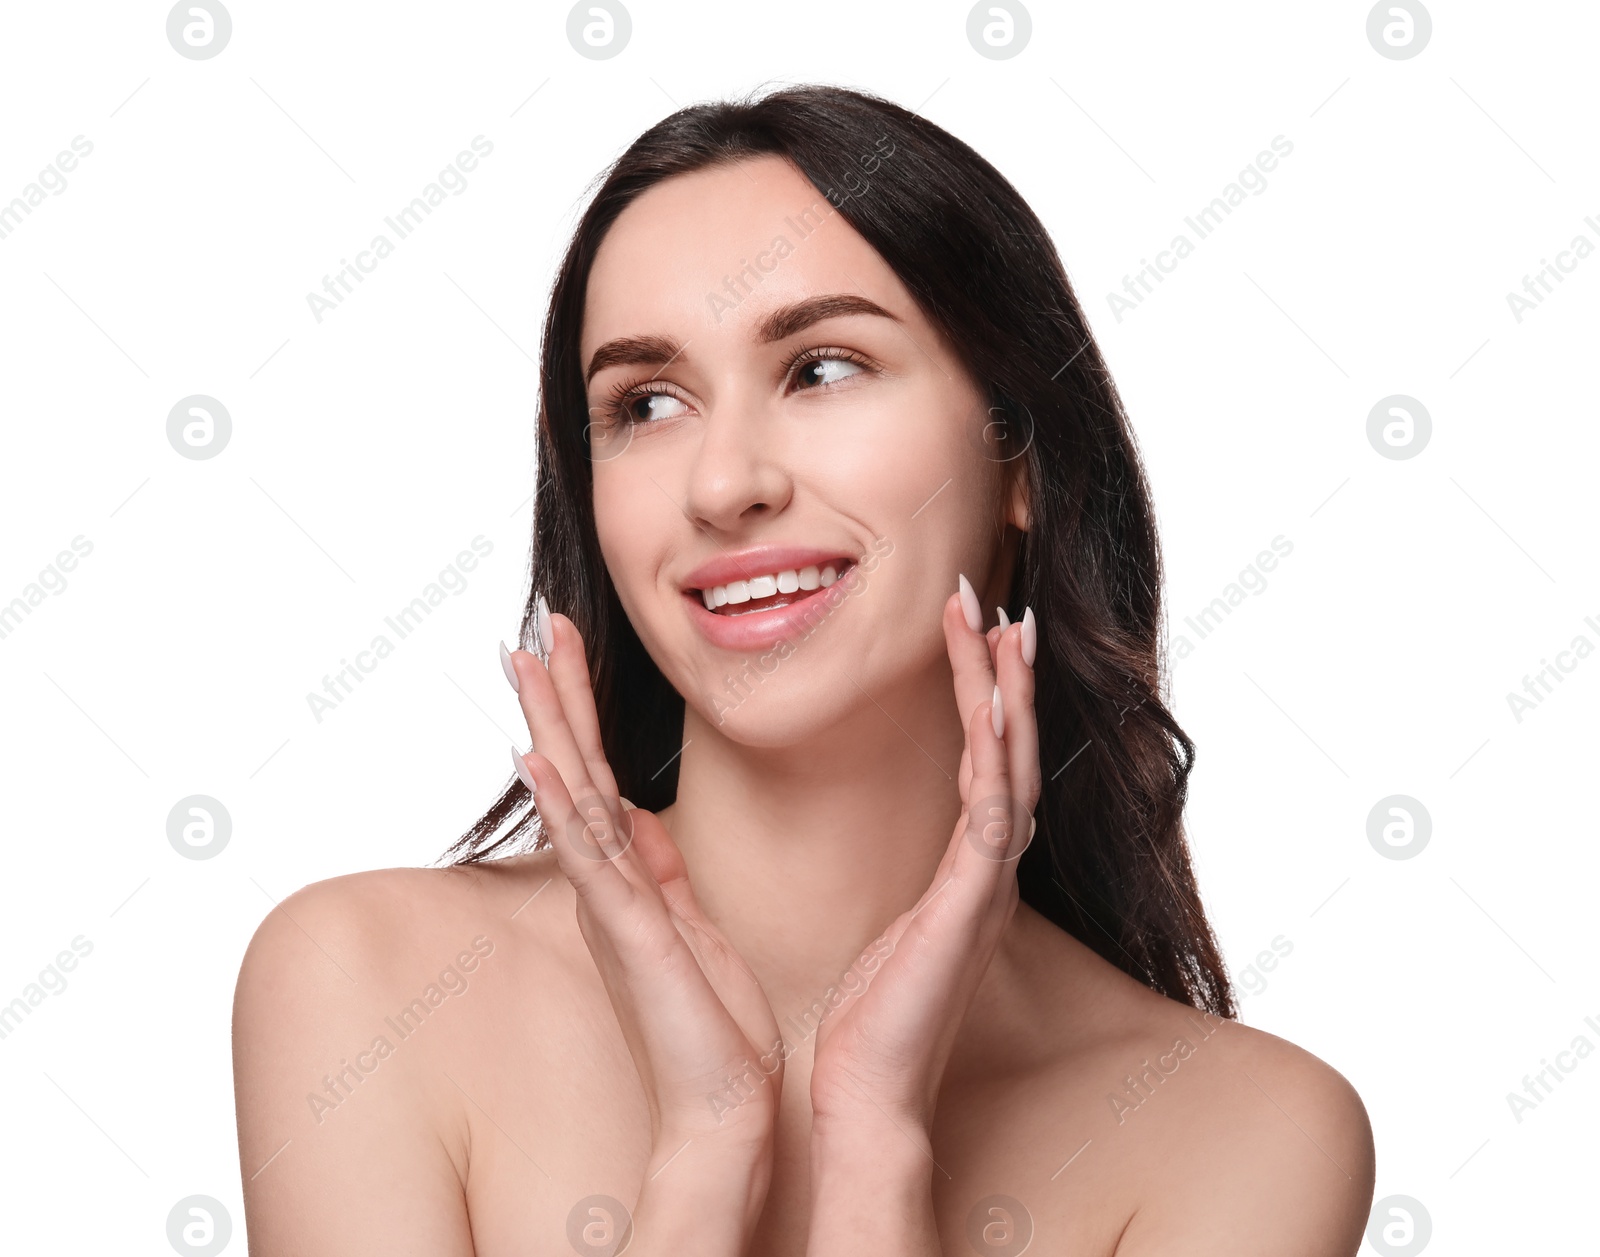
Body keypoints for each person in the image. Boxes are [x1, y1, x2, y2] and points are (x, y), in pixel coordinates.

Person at [233, 84, 1374, 1255]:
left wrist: (875, 1143)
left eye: (821, 369)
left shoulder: (1247, 1136)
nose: (724, 484)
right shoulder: (360, 987)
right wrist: (704, 1151)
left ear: (1019, 454)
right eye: (647, 402)